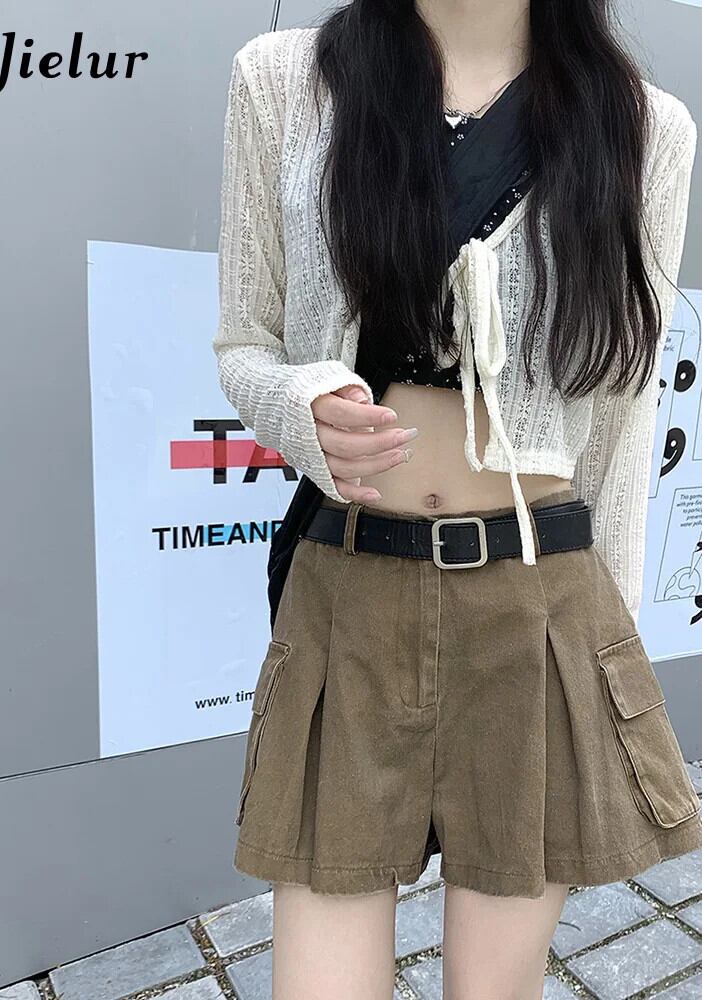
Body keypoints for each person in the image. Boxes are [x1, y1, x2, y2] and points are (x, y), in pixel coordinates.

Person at [213, 2, 702, 997]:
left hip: (539, 608)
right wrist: (301, 406)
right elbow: (244, 342)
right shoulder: (285, 83)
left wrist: (610, 646)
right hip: (349, 593)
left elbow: (623, 414)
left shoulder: (645, 126)